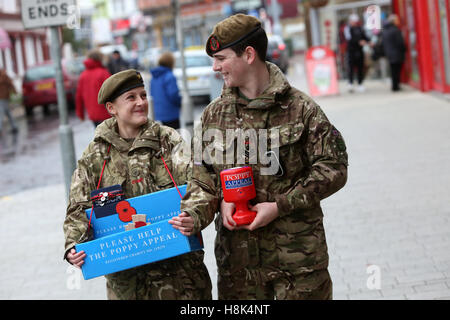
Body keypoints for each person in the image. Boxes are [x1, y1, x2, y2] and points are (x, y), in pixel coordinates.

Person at [170, 14, 348, 300]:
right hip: (239, 269)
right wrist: (200, 211)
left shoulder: (301, 109)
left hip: (298, 262)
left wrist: (280, 206)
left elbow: (334, 168)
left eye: (221, 58)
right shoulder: (214, 115)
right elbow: (201, 178)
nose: (215, 68)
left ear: (249, 54)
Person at [63, 69, 212, 300]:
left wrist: (194, 214)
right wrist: (74, 245)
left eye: (143, 95)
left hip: (181, 281)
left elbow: (200, 185)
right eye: (131, 97)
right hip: (128, 287)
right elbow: (77, 209)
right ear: (112, 108)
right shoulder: (95, 157)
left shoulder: (168, 141)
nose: (140, 102)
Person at [75, 50, 111, 127]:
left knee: (99, 135)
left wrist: (80, 114)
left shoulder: (83, 75)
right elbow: (111, 91)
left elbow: (79, 96)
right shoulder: (103, 73)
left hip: (93, 114)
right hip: (106, 113)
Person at [150, 52, 181, 130]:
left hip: (159, 114)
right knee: (174, 138)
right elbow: (173, 95)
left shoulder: (154, 77)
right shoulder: (169, 76)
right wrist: (179, 102)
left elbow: (152, 93)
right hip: (171, 113)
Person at [343, 14, 369, 92]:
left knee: (360, 68)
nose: (354, 23)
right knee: (350, 68)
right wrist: (359, 42)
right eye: (353, 21)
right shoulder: (347, 28)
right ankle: (350, 83)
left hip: (360, 51)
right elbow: (349, 39)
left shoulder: (360, 28)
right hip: (351, 51)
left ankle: (360, 83)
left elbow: (364, 37)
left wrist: (368, 41)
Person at [382, 14, 406, 92]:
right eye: (397, 20)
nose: (398, 21)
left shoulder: (385, 30)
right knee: (397, 70)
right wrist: (404, 49)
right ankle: (396, 86)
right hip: (397, 53)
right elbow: (400, 43)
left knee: (393, 70)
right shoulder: (395, 30)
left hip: (389, 53)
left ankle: (394, 85)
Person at [0, 69, 18, 135]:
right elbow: (11, 85)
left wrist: (14, 91)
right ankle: (14, 126)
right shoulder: (5, 77)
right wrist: (15, 92)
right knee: (7, 113)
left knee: (4, 113)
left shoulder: (4, 77)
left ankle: (13, 127)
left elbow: (10, 85)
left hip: (3, 98)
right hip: (5, 98)